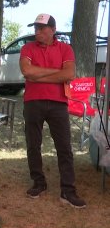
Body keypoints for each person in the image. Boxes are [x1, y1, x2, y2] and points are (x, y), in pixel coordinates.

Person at [19, 13, 86, 209]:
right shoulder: (27, 47)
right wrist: (56, 73)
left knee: (64, 147)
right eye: (36, 28)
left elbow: (70, 74)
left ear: (53, 30)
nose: (37, 31)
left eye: (42, 28)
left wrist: (39, 73)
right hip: (33, 102)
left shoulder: (66, 48)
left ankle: (68, 190)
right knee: (33, 144)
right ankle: (38, 183)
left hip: (58, 103)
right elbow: (27, 72)